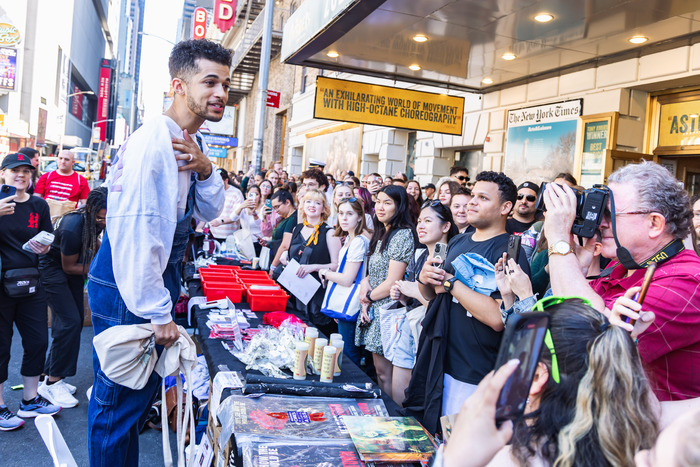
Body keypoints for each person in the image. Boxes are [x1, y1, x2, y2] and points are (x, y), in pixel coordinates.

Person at [86, 39, 228, 464]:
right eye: (209, 81)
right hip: (130, 286)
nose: (221, 93)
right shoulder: (156, 143)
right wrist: (158, 312)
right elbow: (135, 234)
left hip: (141, 282)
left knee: (126, 410)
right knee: (115, 410)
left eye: (225, 82)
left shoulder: (183, 141)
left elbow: (210, 209)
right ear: (178, 85)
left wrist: (206, 168)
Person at [543, 160, 700, 402]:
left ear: (654, 224)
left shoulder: (687, 281)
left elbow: (589, 341)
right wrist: (579, 266)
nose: (601, 223)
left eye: (609, 214)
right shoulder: (621, 269)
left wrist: (558, 241)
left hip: (653, 435)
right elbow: (556, 329)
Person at [441, 298, 660, 467]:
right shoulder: (647, 449)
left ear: (536, 377)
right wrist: (624, 345)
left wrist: (452, 459)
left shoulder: (506, 461)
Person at [408, 171, 530, 433]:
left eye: (483, 198)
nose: (471, 202)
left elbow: (499, 318)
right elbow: (433, 297)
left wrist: (451, 282)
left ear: (505, 207)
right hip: (440, 361)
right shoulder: (458, 241)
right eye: (472, 195)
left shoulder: (509, 252)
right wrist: (425, 279)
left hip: (476, 372)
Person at [0, 153, 60, 431]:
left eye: (26, 171)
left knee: (37, 340)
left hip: (31, 282)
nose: (20, 175)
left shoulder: (39, 205)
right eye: (14, 171)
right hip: (1, 284)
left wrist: (45, 246)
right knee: (1, 346)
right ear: (3, 174)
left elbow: (47, 238)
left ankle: (30, 399)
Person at [37, 187, 107, 409]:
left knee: (71, 323)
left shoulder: (91, 221)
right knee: (68, 323)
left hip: (71, 268)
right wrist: (100, 270)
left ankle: (47, 375)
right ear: (90, 210)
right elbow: (69, 267)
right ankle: (53, 382)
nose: (104, 222)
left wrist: (102, 254)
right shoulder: (72, 227)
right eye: (100, 218)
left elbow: (93, 243)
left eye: (107, 218)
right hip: (53, 271)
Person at [389, 200, 459, 405]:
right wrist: (403, 296)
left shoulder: (451, 260)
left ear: (446, 226)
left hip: (430, 336)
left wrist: (416, 292)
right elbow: (414, 295)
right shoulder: (420, 254)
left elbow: (447, 311)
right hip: (409, 326)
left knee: (418, 399)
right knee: (397, 399)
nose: (420, 226)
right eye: (419, 221)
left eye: (428, 221)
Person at [357, 185, 417, 398]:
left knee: (391, 373)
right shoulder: (382, 231)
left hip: (389, 310)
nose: (380, 207)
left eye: (387, 203)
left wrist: (368, 297)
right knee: (380, 373)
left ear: (399, 206)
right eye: (378, 202)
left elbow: (393, 280)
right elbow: (374, 271)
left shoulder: (402, 235)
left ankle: (393, 415)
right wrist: (365, 284)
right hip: (375, 307)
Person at [319, 198, 372, 366]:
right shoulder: (352, 239)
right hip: (351, 300)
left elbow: (348, 279)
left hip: (352, 300)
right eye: (341, 213)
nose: (344, 218)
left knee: (349, 354)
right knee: (348, 351)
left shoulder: (357, 241)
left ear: (359, 217)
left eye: (350, 214)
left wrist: (325, 273)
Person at [281, 189, 341, 336]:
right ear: (302, 205)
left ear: (324, 208)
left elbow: (337, 266)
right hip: (295, 292)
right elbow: (295, 256)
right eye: (308, 201)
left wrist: (313, 267)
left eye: (317, 202)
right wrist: (285, 256)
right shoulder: (297, 228)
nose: (312, 205)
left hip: (317, 296)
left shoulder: (329, 232)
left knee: (316, 337)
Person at [35, 149, 90, 217]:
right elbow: (36, 199)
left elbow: (85, 204)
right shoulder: (46, 177)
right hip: (45, 217)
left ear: (73, 162)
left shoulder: (81, 181)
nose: (63, 161)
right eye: (60, 158)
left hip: (67, 222)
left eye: (66, 159)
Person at [208, 168, 244, 242]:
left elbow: (237, 215)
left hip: (229, 237)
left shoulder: (236, 193)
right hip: (212, 235)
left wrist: (221, 221)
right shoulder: (212, 192)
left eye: (219, 182)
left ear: (226, 181)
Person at [231, 184, 264, 255]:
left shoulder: (263, 208)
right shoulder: (242, 206)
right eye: (251, 194)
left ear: (260, 196)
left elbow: (261, 225)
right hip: (246, 242)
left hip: (259, 242)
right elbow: (233, 218)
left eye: (256, 194)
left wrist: (255, 214)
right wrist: (242, 207)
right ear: (246, 195)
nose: (254, 197)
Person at [267, 189, 297, 262]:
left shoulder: (293, 219)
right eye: (274, 208)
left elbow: (285, 245)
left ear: (287, 202)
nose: (276, 211)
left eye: (277, 207)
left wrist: (273, 266)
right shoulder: (285, 218)